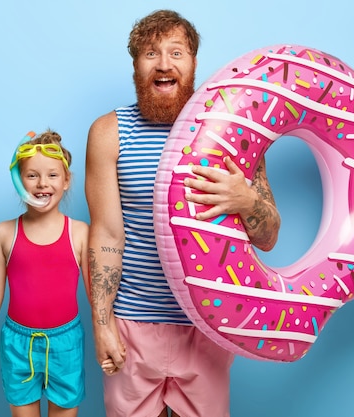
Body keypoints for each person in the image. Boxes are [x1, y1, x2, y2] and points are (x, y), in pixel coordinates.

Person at [85, 9, 281, 417]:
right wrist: (102, 324)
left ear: (193, 64)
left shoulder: (233, 132)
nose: (163, 63)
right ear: (136, 66)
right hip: (132, 326)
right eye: (150, 53)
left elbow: (268, 236)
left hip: (209, 325)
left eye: (176, 52)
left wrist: (245, 200)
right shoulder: (109, 132)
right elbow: (105, 234)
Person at [0, 130, 90, 417]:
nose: (42, 184)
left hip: (66, 343)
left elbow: (96, 292)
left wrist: (110, 333)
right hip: (17, 343)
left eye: (52, 175)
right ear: (18, 181)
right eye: (32, 176)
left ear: (66, 181)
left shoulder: (79, 233)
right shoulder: (3, 233)